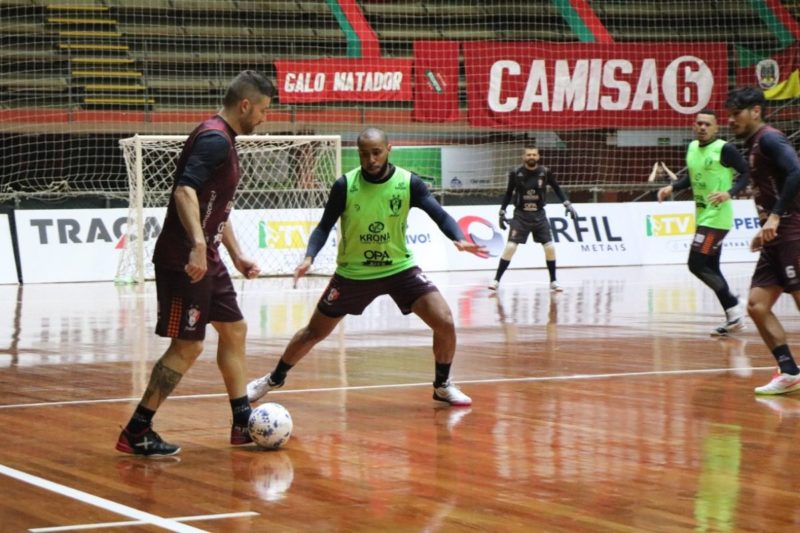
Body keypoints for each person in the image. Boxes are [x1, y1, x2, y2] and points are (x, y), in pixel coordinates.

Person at [247, 127, 486, 407]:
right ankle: (273, 378)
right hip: (353, 274)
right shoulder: (344, 185)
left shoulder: (408, 183)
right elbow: (324, 227)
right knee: (313, 332)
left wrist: (458, 238)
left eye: (376, 152)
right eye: (364, 154)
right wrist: (309, 257)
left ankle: (442, 385)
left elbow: (440, 215)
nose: (371, 159)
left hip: (399, 269)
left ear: (388, 150)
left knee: (444, 320)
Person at [115, 71, 277, 456]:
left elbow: (215, 204)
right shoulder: (214, 139)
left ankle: (241, 424)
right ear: (245, 105)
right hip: (186, 260)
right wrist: (199, 245)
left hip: (210, 257)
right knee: (187, 347)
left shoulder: (224, 138)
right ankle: (137, 430)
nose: (265, 118)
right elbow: (184, 190)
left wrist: (234, 254)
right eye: (264, 110)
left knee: (235, 329)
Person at [726, 86, 800, 395]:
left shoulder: (769, 138)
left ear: (756, 111)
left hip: (791, 230)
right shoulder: (753, 144)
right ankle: (789, 371)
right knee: (757, 306)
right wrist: (765, 226)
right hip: (773, 236)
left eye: (736, 113)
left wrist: (776, 216)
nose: (731, 120)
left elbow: (797, 171)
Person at [657, 109, 750, 336]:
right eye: (699, 123)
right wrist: (673, 187)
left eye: (708, 124)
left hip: (717, 218)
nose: (703, 127)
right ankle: (733, 317)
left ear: (716, 128)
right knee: (712, 267)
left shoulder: (724, 149)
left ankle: (734, 305)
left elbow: (747, 172)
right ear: (693, 126)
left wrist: (730, 192)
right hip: (702, 215)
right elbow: (693, 175)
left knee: (696, 264)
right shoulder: (691, 148)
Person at [488, 145, 577, 292]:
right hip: (521, 216)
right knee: (510, 247)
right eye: (528, 155)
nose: (531, 157)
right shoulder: (516, 173)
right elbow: (509, 193)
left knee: (550, 248)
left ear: (538, 157)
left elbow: (557, 188)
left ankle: (553, 281)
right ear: (523, 157)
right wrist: (502, 211)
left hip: (539, 215)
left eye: (534, 155)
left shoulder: (545, 172)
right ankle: (496, 280)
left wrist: (567, 204)